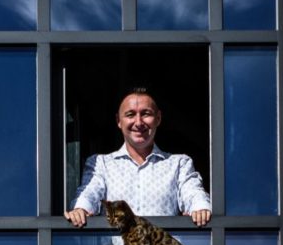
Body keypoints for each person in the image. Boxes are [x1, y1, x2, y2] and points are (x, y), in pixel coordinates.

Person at [64, 89, 211, 230]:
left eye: (146, 114)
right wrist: (81, 209)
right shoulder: (101, 164)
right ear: (119, 121)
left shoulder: (179, 164)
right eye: (130, 115)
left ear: (158, 118)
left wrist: (200, 208)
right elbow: (89, 193)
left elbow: (193, 193)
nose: (139, 122)